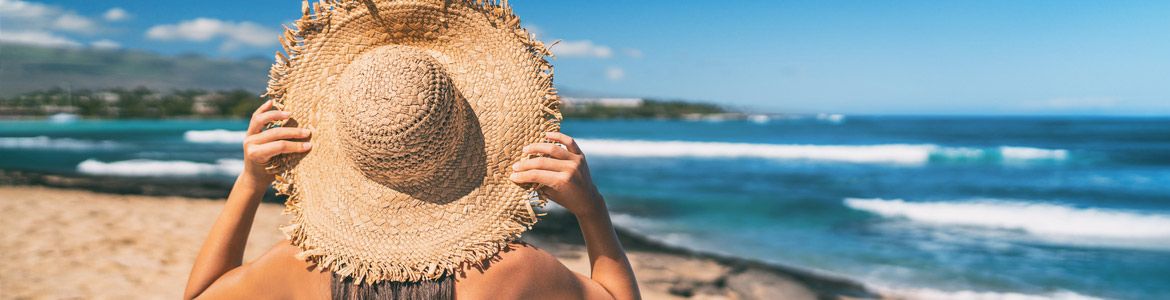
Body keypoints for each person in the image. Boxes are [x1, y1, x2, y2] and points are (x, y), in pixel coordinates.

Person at [182, 101, 641, 300]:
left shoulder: (295, 266)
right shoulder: (518, 271)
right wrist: (591, 209)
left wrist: (250, 183)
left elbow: (202, 295)